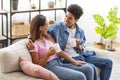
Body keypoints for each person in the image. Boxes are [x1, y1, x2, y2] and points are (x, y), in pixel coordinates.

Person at [47, 4, 113, 80]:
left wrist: (79, 47)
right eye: (66, 16)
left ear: (76, 20)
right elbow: (42, 30)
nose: (66, 19)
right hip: (69, 58)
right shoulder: (57, 27)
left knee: (108, 62)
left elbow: (83, 47)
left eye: (70, 18)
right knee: (91, 68)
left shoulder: (80, 31)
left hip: (82, 56)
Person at [28, 14, 96, 80]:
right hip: (49, 67)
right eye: (46, 25)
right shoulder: (34, 45)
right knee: (81, 77)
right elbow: (37, 65)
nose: (48, 27)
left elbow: (59, 51)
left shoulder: (48, 37)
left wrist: (74, 61)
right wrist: (48, 55)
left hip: (59, 62)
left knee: (88, 69)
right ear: (40, 28)